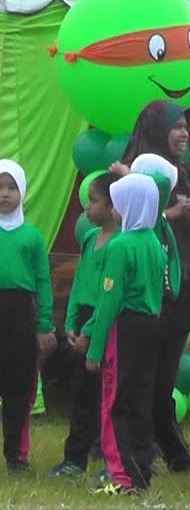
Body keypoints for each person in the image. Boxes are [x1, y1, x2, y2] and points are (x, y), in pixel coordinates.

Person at [120, 101, 190, 474]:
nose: (184, 134)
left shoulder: (189, 178)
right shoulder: (134, 175)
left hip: (180, 292)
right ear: (157, 130)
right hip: (143, 295)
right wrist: (167, 215)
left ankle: (171, 454)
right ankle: (129, 451)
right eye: (176, 126)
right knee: (138, 381)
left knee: (162, 384)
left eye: (186, 127)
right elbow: (123, 224)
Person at [81, 173, 167, 494]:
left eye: (118, 204)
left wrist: (94, 350)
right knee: (140, 401)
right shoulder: (156, 246)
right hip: (150, 327)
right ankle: (141, 471)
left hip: (125, 328)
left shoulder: (120, 246)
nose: (115, 210)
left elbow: (109, 302)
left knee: (114, 401)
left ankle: (121, 476)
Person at [49, 172, 121, 478]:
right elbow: (80, 283)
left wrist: (91, 334)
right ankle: (74, 460)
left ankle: (110, 461)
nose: (87, 208)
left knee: (108, 396)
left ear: (113, 204)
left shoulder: (120, 243)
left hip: (105, 324)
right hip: (82, 322)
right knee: (82, 393)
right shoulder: (90, 238)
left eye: (93, 201)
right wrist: (70, 322)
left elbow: (109, 297)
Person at [0, 160, 53, 474]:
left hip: (20, 315)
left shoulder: (32, 237)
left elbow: (43, 281)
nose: (4, 195)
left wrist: (45, 323)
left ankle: (16, 456)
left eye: (11, 188)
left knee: (19, 387)